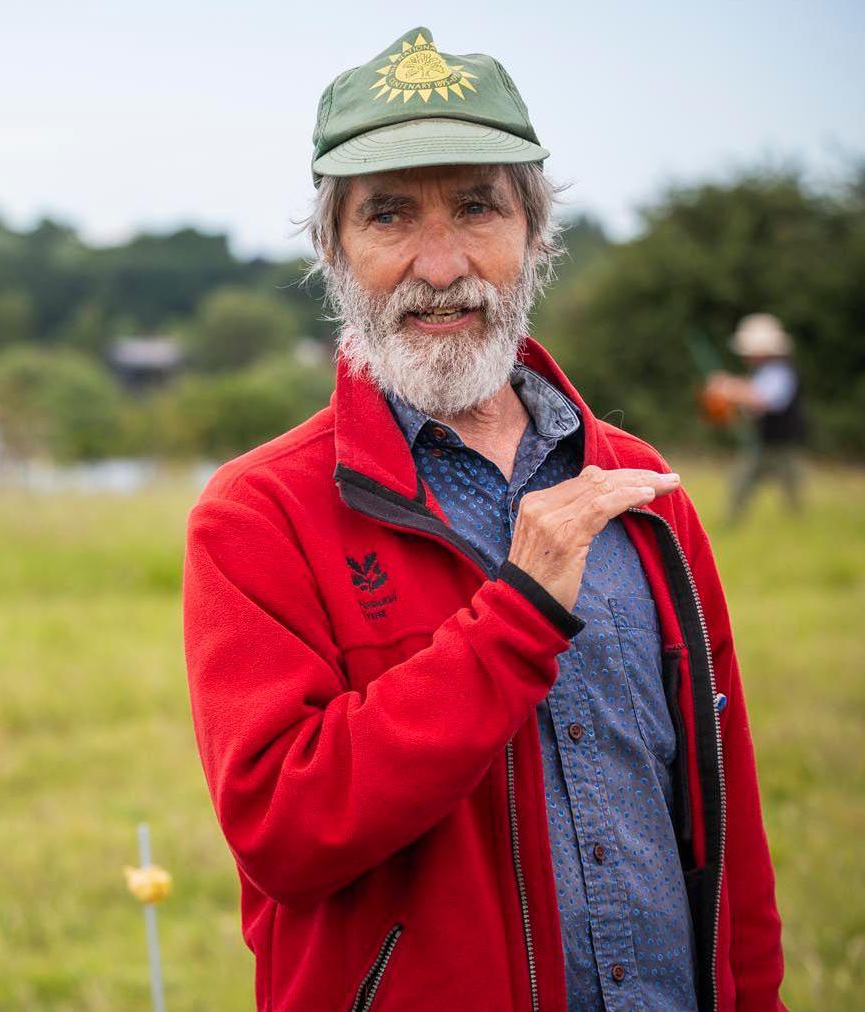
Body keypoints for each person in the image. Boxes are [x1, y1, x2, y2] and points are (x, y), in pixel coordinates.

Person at [182, 28, 784, 1011]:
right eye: (388, 215)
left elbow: (730, 821)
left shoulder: (640, 487)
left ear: (534, 234)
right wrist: (515, 620)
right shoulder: (260, 514)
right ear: (333, 248)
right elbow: (286, 832)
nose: (441, 261)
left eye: (477, 207)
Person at [715, 313, 805, 524]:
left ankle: (797, 523)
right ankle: (733, 522)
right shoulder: (762, 371)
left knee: (786, 485)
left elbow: (764, 399)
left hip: (780, 442)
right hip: (766, 441)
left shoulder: (780, 371)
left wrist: (730, 388)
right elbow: (751, 395)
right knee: (743, 480)